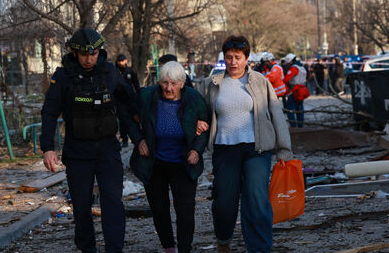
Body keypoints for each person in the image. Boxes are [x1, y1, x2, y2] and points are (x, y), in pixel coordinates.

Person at [41, 28, 138, 253]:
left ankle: (114, 249)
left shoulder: (110, 72)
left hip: (107, 150)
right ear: (75, 53)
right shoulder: (63, 77)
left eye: (93, 54)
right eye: (84, 54)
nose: (89, 59)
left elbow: (130, 102)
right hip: (78, 153)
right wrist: (48, 148)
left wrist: (142, 131)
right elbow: (49, 112)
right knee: (82, 208)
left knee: (113, 203)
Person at [200, 35, 293, 253]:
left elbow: (276, 113)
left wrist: (284, 149)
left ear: (247, 59)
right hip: (224, 150)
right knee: (224, 203)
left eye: (237, 57)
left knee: (257, 201)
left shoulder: (260, 81)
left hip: (256, 149)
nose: (233, 62)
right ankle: (223, 240)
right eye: (229, 57)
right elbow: (199, 113)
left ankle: (260, 249)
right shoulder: (211, 84)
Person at [130, 61, 210, 253]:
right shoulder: (148, 96)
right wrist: (139, 139)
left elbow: (205, 127)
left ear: (182, 83)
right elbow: (128, 117)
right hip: (155, 163)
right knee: (159, 209)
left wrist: (196, 151)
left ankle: (184, 249)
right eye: (165, 83)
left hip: (183, 163)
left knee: (185, 211)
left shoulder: (193, 99)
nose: (168, 88)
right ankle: (169, 247)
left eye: (174, 83)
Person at [283, 53, 308, 128]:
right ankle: (301, 126)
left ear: (290, 61)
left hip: (295, 90)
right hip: (302, 89)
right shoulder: (302, 67)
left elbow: (286, 79)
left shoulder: (294, 68)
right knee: (299, 109)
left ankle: (293, 126)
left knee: (289, 108)